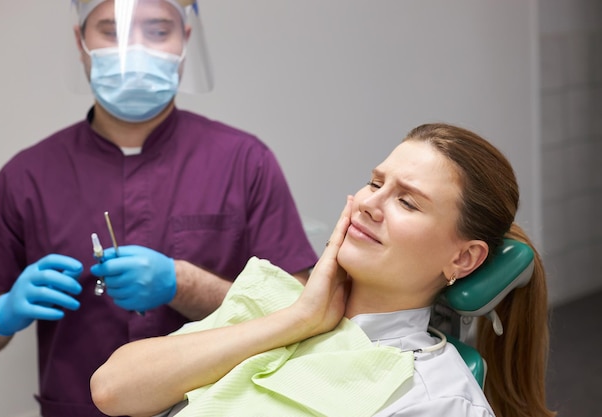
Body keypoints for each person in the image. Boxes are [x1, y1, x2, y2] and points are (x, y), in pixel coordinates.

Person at [0, 1, 317, 416]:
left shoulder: (245, 161)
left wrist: (184, 285)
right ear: (80, 43)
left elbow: (303, 312)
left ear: (184, 40)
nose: (133, 51)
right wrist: (0, 313)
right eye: (111, 31)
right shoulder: (27, 176)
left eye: (157, 31)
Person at [90, 122, 556, 417]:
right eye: (375, 182)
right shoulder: (271, 300)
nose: (370, 204)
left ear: (463, 259)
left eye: (407, 202)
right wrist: (296, 321)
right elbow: (112, 390)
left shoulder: (435, 396)